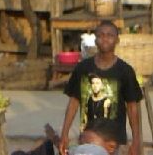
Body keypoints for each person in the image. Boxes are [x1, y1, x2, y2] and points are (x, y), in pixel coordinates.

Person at [60, 20, 142, 155]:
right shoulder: (83, 68)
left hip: (114, 140)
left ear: (117, 40)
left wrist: (136, 140)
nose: (105, 39)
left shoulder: (125, 71)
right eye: (101, 35)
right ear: (95, 39)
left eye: (110, 35)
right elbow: (73, 102)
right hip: (88, 138)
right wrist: (65, 133)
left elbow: (132, 107)